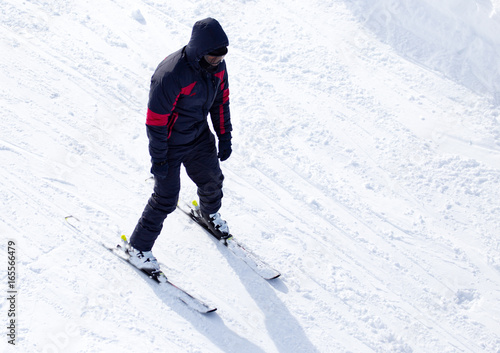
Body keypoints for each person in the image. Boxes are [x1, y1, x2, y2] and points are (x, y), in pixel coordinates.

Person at [127, 18, 233, 271]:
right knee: (165, 198)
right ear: (200, 51)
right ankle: (138, 248)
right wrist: (159, 159)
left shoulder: (216, 66)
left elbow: (221, 101)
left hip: (197, 135)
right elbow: (155, 122)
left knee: (212, 180)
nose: (218, 61)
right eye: (213, 57)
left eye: (221, 57)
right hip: (170, 144)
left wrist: (224, 135)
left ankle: (208, 213)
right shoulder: (171, 74)